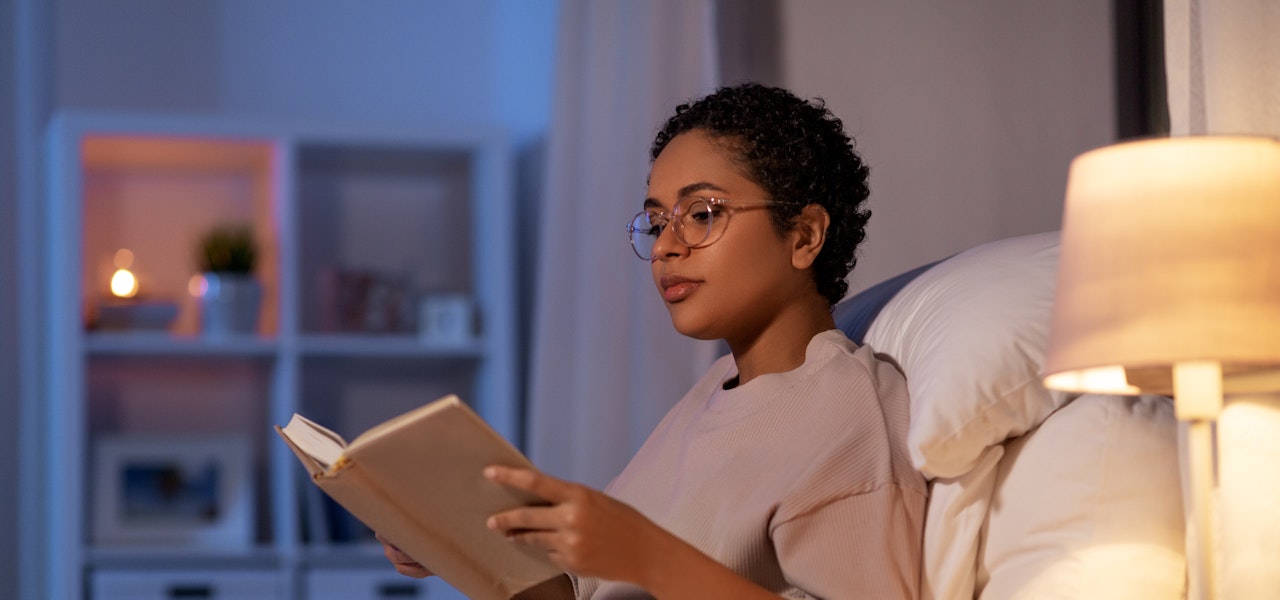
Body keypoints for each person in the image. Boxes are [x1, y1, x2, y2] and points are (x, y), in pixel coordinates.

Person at [381, 83, 926, 599]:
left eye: (701, 214)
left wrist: (648, 556)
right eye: (656, 220)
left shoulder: (848, 411)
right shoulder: (716, 390)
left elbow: (645, 564)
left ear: (804, 235)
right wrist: (459, 543)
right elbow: (588, 590)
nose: (666, 245)